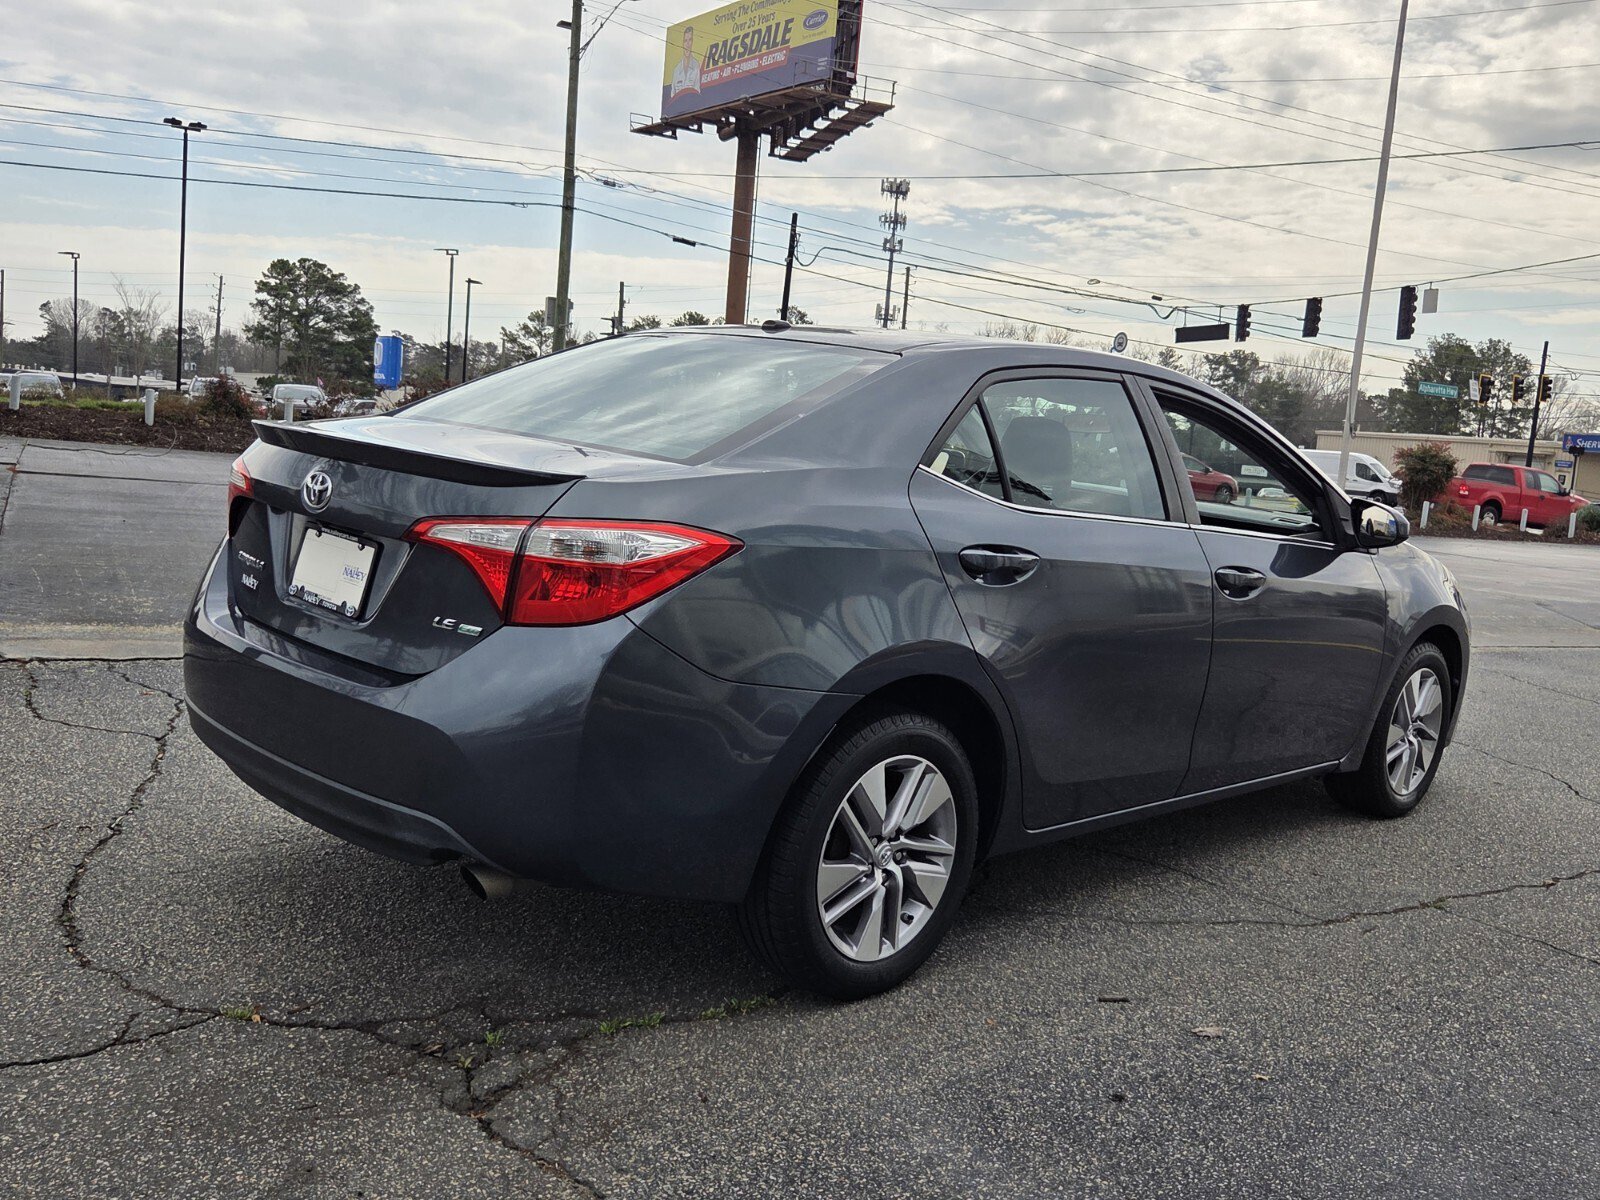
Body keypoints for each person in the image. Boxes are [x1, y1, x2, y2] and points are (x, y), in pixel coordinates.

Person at [670, 25, 702, 98]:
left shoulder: (697, 66)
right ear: (682, 43)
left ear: (692, 42)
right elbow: (672, 96)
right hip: (679, 108)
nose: (687, 44)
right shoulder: (676, 70)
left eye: (690, 40)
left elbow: (697, 92)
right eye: (685, 41)